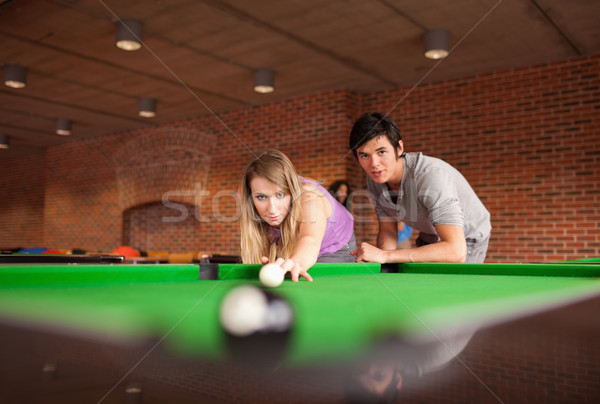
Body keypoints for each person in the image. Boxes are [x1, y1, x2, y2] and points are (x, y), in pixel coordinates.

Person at [348, 112, 491, 264]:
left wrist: (385, 256)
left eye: (381, 152)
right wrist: (379, 260)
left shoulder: (430, 176)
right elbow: (388, 229)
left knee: (449, 287)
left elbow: (456, 251)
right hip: (429, 237)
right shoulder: (376, 178)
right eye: (364, 155)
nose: (374, 163)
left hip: (466, 239)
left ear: (399, 148)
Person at [240, 149, 356, 282]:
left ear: (291, 190)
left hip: (335, 249)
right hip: (301, 250)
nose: (272, 209)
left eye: (280, 195)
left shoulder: (310, 197)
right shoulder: (257, 211)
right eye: (261, 197)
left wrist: (296, 262)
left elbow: (310, 239)